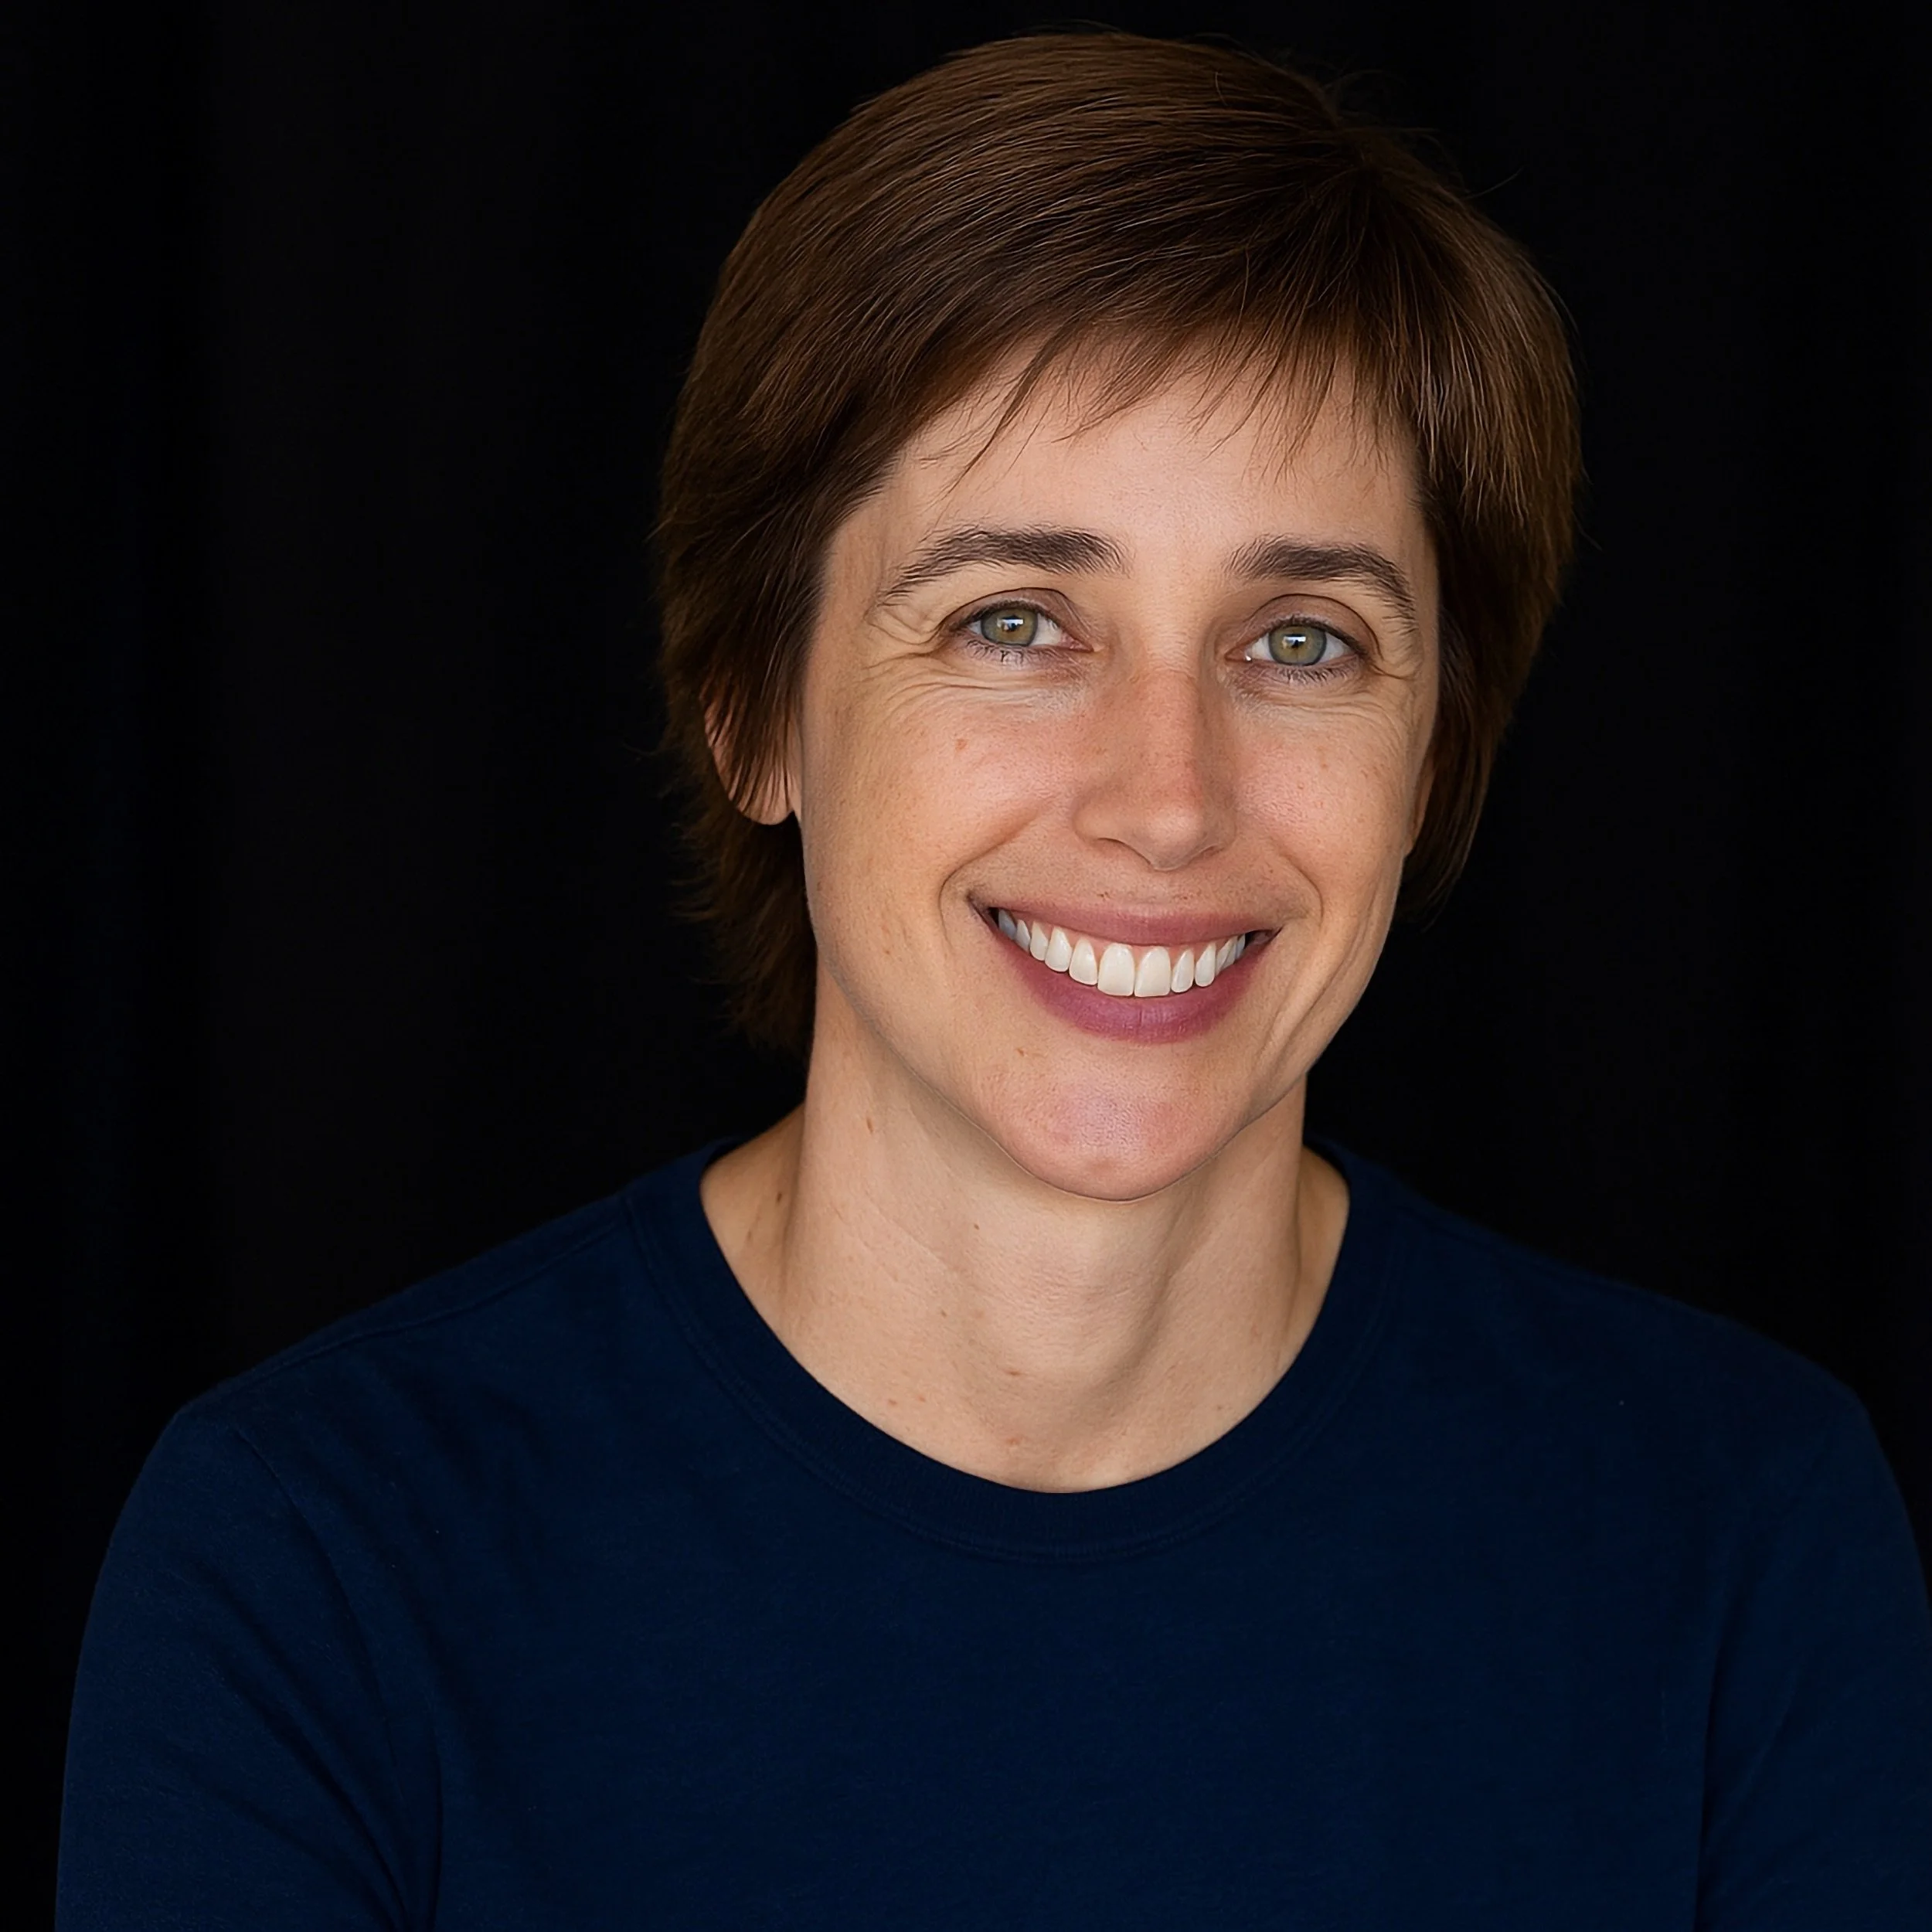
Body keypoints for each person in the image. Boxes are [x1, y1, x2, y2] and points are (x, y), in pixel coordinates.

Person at [59, 29, 1932, 1929]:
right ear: (751, 709)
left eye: (1299, 640)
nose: (1167, 798)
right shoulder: (313, 1564)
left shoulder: (1736, 1542)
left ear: (1434, 751)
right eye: (1014, 621)